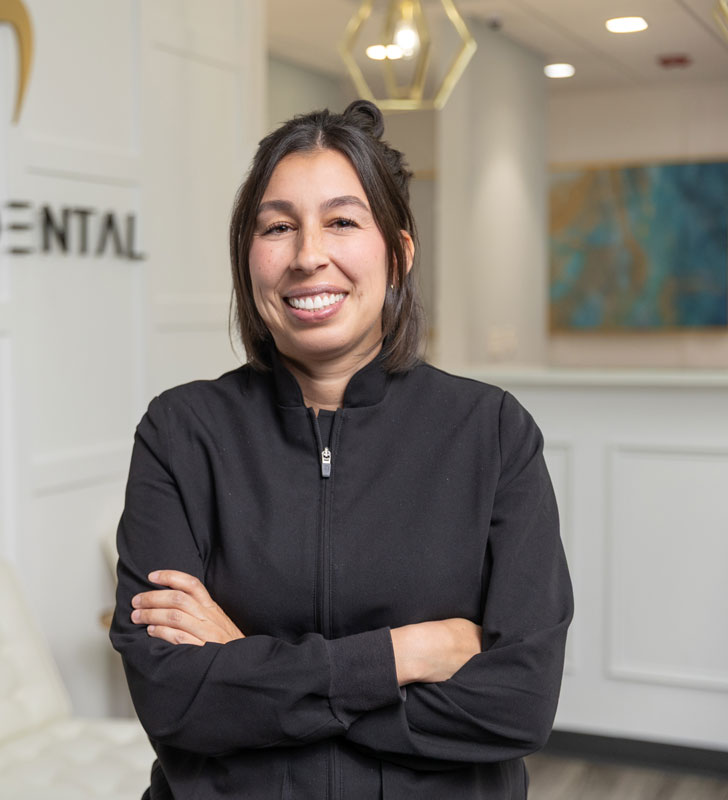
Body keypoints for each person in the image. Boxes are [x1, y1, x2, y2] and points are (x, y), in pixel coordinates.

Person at [110, 101, 573, 800]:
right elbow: (175, 702)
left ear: (400, 254)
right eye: (277, 227)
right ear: (248, 256)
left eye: (342, 221)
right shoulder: (180, 432)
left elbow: (518, 705)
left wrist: (243, 668)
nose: (307, 255)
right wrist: (403, 655)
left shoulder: (492, 432)